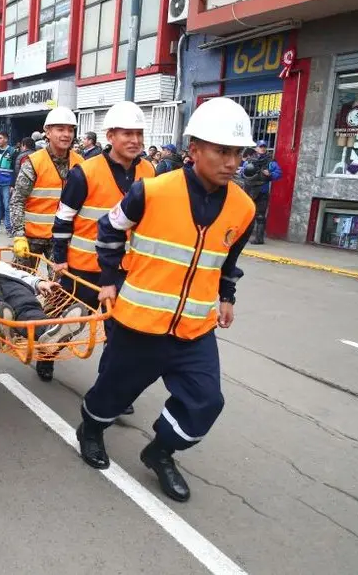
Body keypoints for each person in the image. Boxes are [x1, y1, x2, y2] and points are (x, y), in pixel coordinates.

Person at [76, 97, 257, 503]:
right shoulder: (151, 191)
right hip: (139, 323)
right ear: (194, 149)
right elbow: (107, 229)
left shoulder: (243, 207)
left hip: (194, 329)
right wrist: (109, 279)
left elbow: (230, 258)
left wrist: (227, 294)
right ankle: (90, 428)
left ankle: (160, 451)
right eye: (221, 151)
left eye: (237, 153)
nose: (231, 162)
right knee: (112, 395)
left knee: (205, 402)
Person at [48, 101, 155, 387]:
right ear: (110, 136)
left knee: (120, 332)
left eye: (139, 134)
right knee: (69, 322)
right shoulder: (85, 172)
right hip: (83, 267)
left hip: (124, 269)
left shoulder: (150, 172)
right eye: (127, 134)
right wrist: (59, 257)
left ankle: (109, 385)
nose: (134, 140)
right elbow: (63, 219)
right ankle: (48, 356)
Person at [10, 107, 84, 272]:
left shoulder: (80, 163)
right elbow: (17, 200)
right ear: (48, 132)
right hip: (30, 237)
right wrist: (19, 235)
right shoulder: (34, 162)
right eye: (60, 129)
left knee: (59, 290)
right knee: (20, 286)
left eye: (70, 130)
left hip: (61, 239)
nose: (66, 134)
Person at [0, 260, 85, 345]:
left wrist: (39, 283)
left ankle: (47, 331)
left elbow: (20, 275)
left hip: (9, 280)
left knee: (26, 304)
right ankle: (1, 326)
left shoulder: (0, 264)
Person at [236, 139, 281, 244]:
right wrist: (245, 172)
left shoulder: (271, 162)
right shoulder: (250, 160)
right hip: (249, 189)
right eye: (261, 147)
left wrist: (270, 174)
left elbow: (278, 173)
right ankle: (242, 236)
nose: (262, 148)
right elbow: (243, 173)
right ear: (256, 148)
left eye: (264, 147)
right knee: (246, 214)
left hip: (262, 191)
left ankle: (259, 239)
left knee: (260, 216)